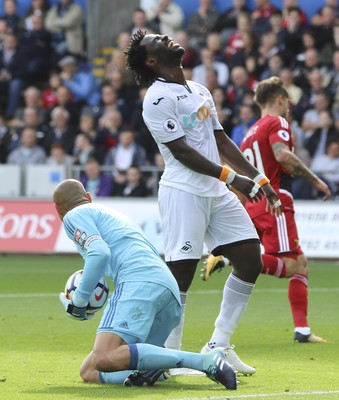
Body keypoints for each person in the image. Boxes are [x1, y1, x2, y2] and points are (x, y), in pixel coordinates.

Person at [125, 30, 281, 375]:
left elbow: (221, 140)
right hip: (184, 192)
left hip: (216, 191)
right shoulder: (156, 98)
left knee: (249, 260)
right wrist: (232, 179)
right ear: (151, 60)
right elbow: (181, 152)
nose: (166, 37)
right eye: (157, 41)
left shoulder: (198, 89)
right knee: (181, 273)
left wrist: (259, 179)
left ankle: (219, 344)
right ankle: (168, 356)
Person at [55, 178, 237, 389]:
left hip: (139, 282)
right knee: (89, 370)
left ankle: (204, 361)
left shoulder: (73, 216)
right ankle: (150, 373)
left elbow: (98, 253)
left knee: (104, 357)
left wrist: (79, 300)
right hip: (167, 287)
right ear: (88, 197)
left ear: (58, 209)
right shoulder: (111, 215)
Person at [203, 77, 331, 343]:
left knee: (302, 264)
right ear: (281, 99)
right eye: (287, 102)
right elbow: (283, 155)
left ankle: (302, 330)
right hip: (275, 202)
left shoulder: (250, 133)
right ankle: (229, 259)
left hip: (254, 203)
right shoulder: (277, 122)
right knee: (293, 265)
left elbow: (243, 172)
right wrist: (316, 180)